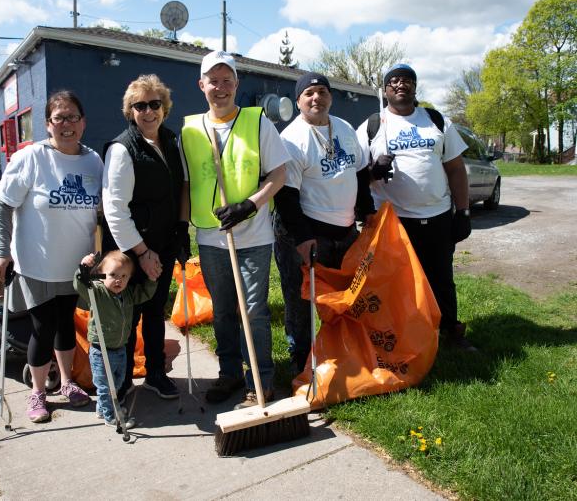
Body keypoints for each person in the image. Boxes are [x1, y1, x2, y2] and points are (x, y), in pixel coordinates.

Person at [180, 50, 290, 409]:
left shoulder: (258, 123)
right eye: (214, 80)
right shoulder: (190, 130)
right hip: (211, 238)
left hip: (254, 235)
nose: (221, 87)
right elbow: (185, 184)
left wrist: (250, 204)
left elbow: (279, 174)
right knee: (224, 310)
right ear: (202, 85)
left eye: (228, 80)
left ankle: (261, 380)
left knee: (254, 309)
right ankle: (229, 372)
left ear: (237, 84)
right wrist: (183, 228)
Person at [0, 90, 104, 423]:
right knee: (43, 327)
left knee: (65, 324)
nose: (66, 124)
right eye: (59, 118)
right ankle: (38, 393)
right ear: (47, 124)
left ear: (83, 122)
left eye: (72, 117)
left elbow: (99, 210)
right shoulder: (31, 158)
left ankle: (67, 382)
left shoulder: (92, 161)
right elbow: (2, 204)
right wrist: (1, 250)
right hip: (36, 265)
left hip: (77, 267)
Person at [356, 63, 476, 351]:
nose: (401, 84)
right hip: (393, 221)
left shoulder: (435, 121)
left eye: (407, 80)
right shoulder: (372, 126)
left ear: (415, 87)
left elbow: (456, 169)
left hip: (437, 217)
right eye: (394, 81)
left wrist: (463, 212)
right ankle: (398, 334)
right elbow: (356, 176)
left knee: (441, 279)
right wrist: (374, 170)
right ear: (385, 90)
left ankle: (449, 331)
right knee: (395, 283)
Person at [274, 72, 376, 376]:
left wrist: (367, 212)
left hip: (344, 232)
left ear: (330, 96)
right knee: (300, 299)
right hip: (305, 232)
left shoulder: (344, 128)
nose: (316, 98)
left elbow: (359, 174)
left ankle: (341, 351)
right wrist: (303, 240)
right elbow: (286, 197)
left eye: (322, 91)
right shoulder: (291, 139)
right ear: (298, 101)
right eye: (309, 94)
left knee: (343, 297)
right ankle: (301, 357)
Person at [102, 74, 190, 401]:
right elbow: (114, 209)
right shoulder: (123, 149)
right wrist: (142, 252)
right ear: (130, 111)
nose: (148, 111)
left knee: (155, 312)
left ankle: (155, 372)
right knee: (129, 315)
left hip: (164, 244)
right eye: (140, 106)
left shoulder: (169, 140)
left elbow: (182, 186)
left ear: (164, 108)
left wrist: (182, 228)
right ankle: (122, 380)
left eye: (155, 104)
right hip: (130, 252)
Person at [74, 251, 157, 428]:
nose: (118, 280)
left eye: (124, 276)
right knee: (105, 385)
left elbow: (144, 294)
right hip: (101, 349)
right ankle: (111, 416)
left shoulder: (127, 294)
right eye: (112, 275)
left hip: (120, 348)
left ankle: (103, 408)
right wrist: (83, 269)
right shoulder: (96, 291)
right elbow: (80, 284)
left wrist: (151, 280)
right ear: (102, 274)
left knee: (118, 382)